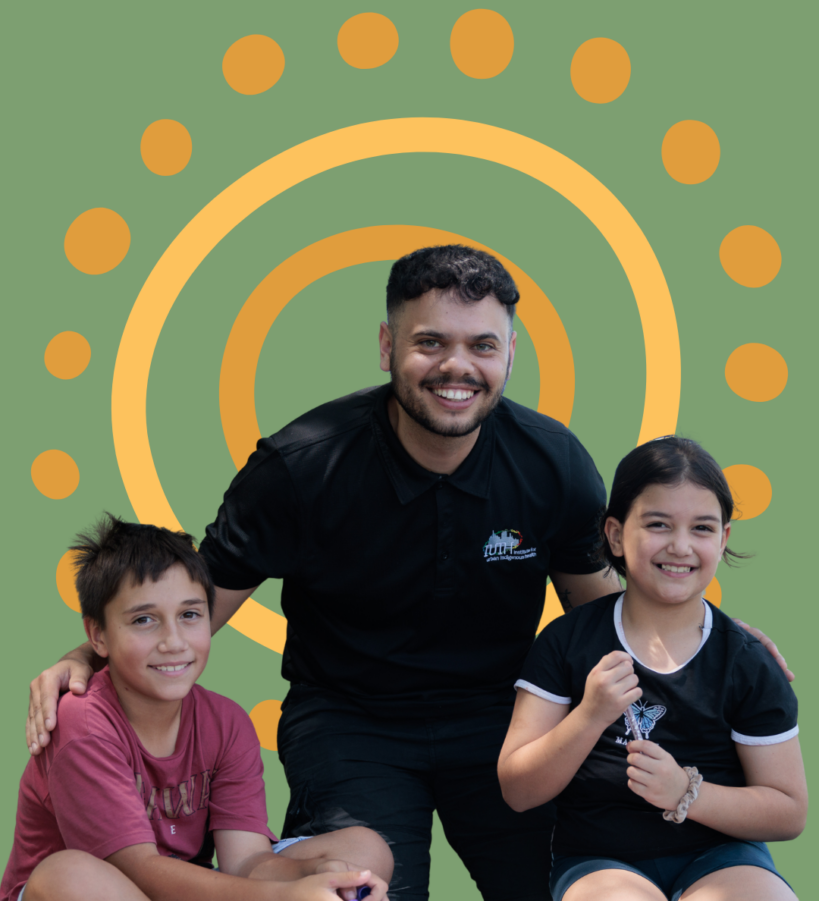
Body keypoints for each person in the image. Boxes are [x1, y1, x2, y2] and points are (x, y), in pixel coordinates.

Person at [26, 248, 792, 901]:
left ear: (510, 354)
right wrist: (82, 656)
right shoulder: (301, 466)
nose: (457, 366)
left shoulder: (552, 463)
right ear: (387, 345)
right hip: (349, 718)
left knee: (569, 879)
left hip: (504, 716)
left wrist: (706, 641)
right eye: (431, 342)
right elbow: (190, 607)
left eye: (482, 345)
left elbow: (603, 618)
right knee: (364, 887)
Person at [4, 516, 392, 901]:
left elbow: (246, 863)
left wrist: (316, 875)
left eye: (190, 615)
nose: (173, 641)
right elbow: (138, 869)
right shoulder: (82, 721)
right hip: (95, 889)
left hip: (185, 887)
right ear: (97, 636)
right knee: (69, 874)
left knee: (364, 850)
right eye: (143, 620)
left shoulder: (226, 722)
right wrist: (282, 897)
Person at [498, 437, 806, 901]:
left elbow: (788, 811)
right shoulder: (566, 643)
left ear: (723, 539)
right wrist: (590, 715)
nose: (680, 546)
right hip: (600, 861)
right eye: (658, 524)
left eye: (702, 528)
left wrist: (687, 791)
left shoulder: (745, 660)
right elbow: (518, 790)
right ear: (616, 535)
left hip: (723, 857)